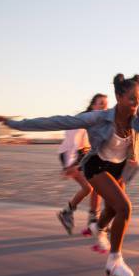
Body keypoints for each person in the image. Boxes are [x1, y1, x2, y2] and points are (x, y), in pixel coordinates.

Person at [0, 74, 139, 276]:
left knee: (112, 210)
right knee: (124, 208)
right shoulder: (98, 118)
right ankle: (115, 260)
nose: (136, 103)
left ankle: (97, 228)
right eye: (131, 99)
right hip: (97, 166)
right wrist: (12, 124)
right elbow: (57, 121)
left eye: (138, 98)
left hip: (119, 169)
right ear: (119, 97)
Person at [56, 93, 108, 235]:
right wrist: (69, 165)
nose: (104, 106)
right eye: (100, 103)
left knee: (97, 184)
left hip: (84, 153)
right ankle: (68, 213)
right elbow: (72, 142)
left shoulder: (100, 121)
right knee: (88, 187)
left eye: (106, 103)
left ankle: (92, 218)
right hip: (69, 153)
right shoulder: (83, 119)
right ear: (93, 105)